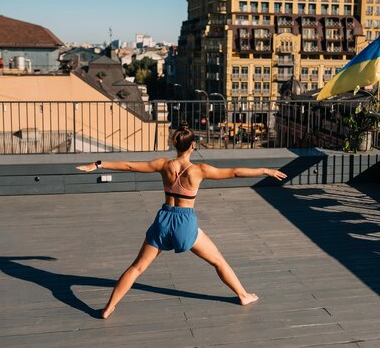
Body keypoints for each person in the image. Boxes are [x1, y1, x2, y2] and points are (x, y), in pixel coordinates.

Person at [76, 121, 287, 319]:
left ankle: (108, 308)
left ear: (175, 144)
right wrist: (265, 170)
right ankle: (243, 295)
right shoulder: (199, 171)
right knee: (218, 261)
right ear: (193, 145)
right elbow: (234, 173)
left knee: (137, 268)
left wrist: (98, 164)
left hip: (163, 220)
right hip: (185, 224)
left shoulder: (163, 164)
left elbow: (130, 166)